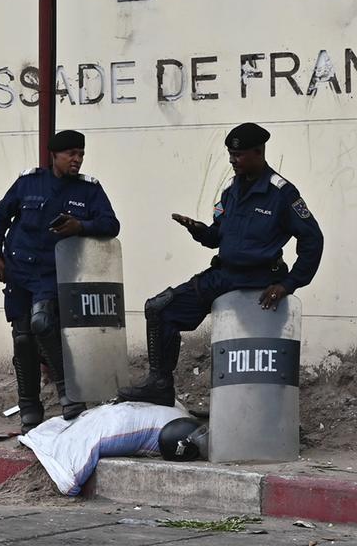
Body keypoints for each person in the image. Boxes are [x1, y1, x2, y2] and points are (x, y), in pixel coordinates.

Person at [119, 122, 324, 407]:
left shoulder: (282, 193)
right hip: (224, 275)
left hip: (260, 280)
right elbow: (217, 236)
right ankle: (160, 384)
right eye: (230, 154)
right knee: (159, 308)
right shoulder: (231, 191)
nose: (232, 160)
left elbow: (313, 240)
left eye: (238, 155)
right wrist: (200, 230)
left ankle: (266, 410)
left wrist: (288, 284)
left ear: (258, 152)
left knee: (255, 358)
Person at [0, 129, 121, 431]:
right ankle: (29, 405)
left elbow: (111, 225)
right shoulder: (28, 183)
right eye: (71, 154)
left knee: (43, 324)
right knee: (22, 339)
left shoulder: (89, 190)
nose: (77, 159)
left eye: (81, 154)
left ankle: (69, 394)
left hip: (54, 272)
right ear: (54, 156)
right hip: (19, 268)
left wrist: (80, 227)